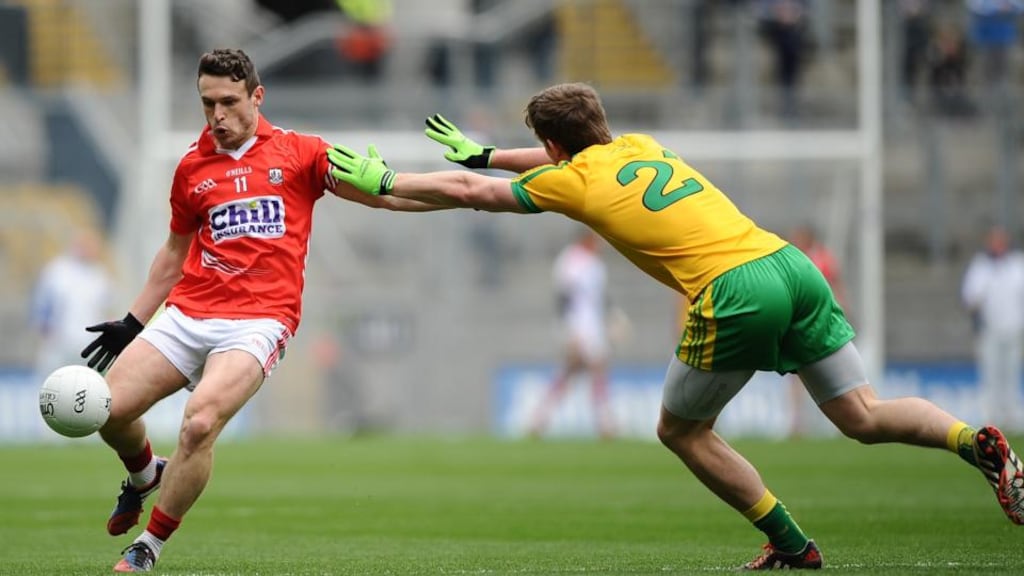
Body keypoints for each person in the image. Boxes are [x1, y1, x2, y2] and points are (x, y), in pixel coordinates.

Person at [325, 82, 1024, 570]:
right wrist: (487, 152)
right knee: (863, 414)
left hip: (734, 289)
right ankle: (975, 441)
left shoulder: (573, 179)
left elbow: (475, 195)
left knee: (680, 431)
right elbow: (533, 162)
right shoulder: (639, 145)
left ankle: (790, 543)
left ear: (554, 144)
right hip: (788, 263)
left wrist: (390, 181)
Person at [82, 48, 440, 573]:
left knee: (199, 424)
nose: (217, 115)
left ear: (257, 96)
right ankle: (143, 474)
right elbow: (174, 254)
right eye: (208, 104)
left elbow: (387, 197)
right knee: (104, 411)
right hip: (189, 312)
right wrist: (133, 322)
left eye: (228, 101)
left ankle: (148, 546)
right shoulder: (191, 167)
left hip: (258, 321)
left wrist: (465, 193)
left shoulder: (301, 153)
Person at [528, 228, 615, 440]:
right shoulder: (570, 260)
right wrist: (569, 330)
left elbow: (599, 298)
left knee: (571, 372)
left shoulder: (595, 264)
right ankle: (605, 424)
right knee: (595, 369)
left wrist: (612, 319)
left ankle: (539, 419)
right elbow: (563, 297)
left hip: (593, 325)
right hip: (578, 325)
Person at [961, 223, 1024, 432]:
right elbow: (970, 298)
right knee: (991, 375)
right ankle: (992, 418)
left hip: (1013, 330)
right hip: (990, 330)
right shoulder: (981, 267)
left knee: (1011, 374)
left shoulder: (1017, 265)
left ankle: (1011, 417)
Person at [31, 227, 115, 379]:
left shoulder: (100, 276)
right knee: (52, 386)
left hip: (89, 344)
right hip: (59, 343)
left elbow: (106, 311)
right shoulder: (57, 270)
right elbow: (41, 306)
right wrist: (47, 335)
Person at [786, 224, 845, 437]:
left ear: (808, 239)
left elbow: (836, 288)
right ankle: (796, 423)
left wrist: (841, 313)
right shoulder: (792, 260)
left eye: (799, 237)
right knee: (797, 377)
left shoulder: (822, 259)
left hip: (821, 325)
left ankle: (840, 422)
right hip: (800, 326)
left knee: (831, 375)